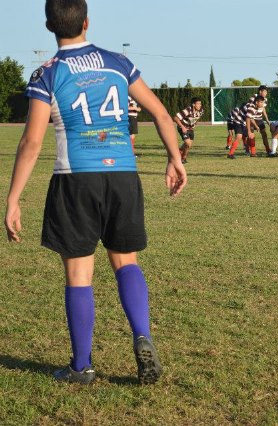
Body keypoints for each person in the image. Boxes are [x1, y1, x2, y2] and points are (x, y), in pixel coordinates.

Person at [5, 0, 187, 385]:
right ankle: (142, 335)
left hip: (76, 178)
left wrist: (13, 198)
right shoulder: (118, 63)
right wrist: (175, 158)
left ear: (49, 25)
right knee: (126, 261)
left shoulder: (47, 74)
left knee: (78, 272)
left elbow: (31, 142)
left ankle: (81, 366)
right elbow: (161, 113)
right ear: (87, 22)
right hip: (122, 175)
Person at [173, 97, 205, 163]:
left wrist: (194, 124)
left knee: (189, 145)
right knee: (187, 143)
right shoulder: (187, 110)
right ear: (193, 104)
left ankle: (183, 158)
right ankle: (178, 156)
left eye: (200, 104)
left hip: (190, 129)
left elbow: (197, 118)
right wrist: (182, 127)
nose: (200, 105)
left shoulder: (201, 110)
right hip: (183, 128)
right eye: (198, 104)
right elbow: (175, 118)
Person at [248, 85, 271, 153]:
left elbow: (263, 109)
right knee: (251, 134)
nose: (266, 93)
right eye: (265, 91)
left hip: (259, 119)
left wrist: (267, 119)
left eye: (266, 92)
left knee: (264, 134)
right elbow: (249, 109)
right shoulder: (253, 98)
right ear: (260, 91)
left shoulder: (265, 99)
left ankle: (268, 149)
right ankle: (252, 151)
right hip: (252, 119)